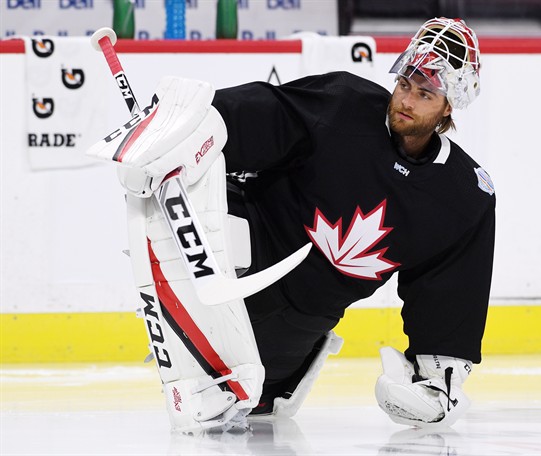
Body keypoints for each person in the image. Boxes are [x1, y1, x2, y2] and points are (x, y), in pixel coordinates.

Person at [88, 17, 495, 432]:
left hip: (302, 321)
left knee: (255, 407)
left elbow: (451, 290)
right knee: (186, 203)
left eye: (424, 94)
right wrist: (181, 133)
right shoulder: (345, 105)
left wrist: (438, 374)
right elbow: (260, 114)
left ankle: (257, 368)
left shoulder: (462, 196)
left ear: (448, 107)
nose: (406, 100)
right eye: (405, 85)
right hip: (252, 243)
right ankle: (182, 310)